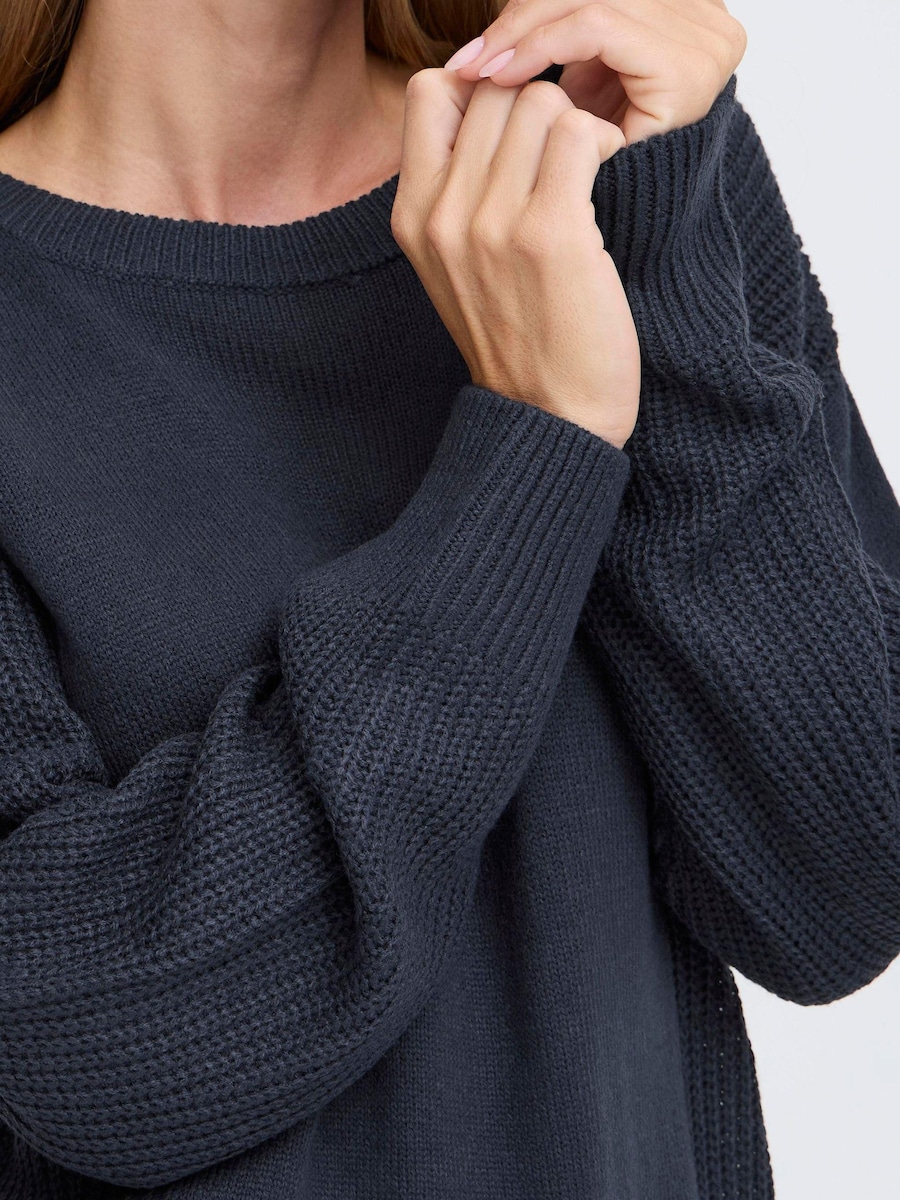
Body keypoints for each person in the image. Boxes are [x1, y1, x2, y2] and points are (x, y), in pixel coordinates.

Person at [0, 0, 897, 1196]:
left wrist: (656, 242)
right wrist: (538, 442)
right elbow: (89, 1047)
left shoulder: (617, 157)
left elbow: (837, 896)